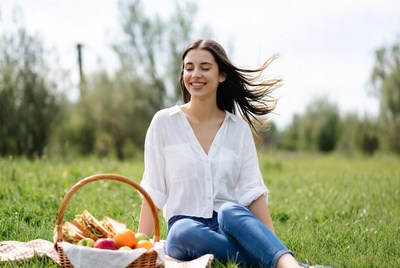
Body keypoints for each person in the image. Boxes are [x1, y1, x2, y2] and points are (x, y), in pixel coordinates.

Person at [138, 38, 300, 268]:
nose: (195, 74)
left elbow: (251, 190)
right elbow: (153, 189)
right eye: (189, 67)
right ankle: (286, 265)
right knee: (182, 230)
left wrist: (271, 241)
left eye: (205, 68)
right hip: (186, 231)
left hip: (232, 227)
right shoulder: (163, 122)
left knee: (230, 210)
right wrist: (139, 250)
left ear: (221, 75)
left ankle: (285, 263)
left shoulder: (238, 128)